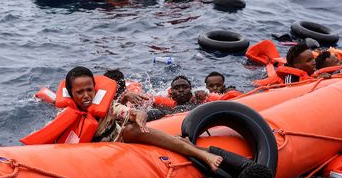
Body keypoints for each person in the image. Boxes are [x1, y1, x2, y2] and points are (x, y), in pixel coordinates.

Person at [23, 67, 223, 171]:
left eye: (89, 90)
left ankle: (201, 154)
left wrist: (139, 114)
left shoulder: (108, 106)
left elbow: (129, 112)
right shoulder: (65, 117)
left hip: (120, 143)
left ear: (95, 89)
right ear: (70, 93)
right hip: (90, 155)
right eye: (80, 92)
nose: (86, 95)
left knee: (130, 130)